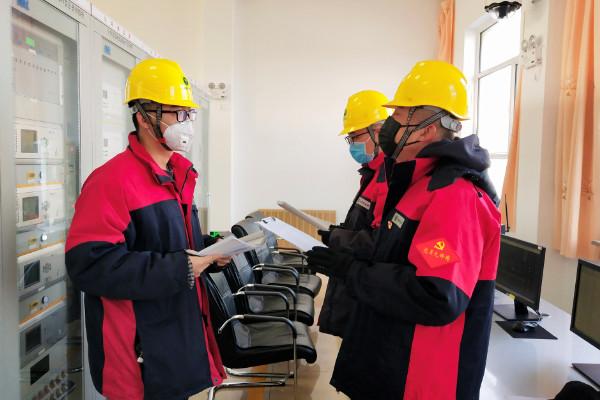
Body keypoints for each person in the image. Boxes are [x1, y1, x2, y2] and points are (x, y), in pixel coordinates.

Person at [307, 60, 501, 399]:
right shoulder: (420, 185)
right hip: (392, 360)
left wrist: (353, 271)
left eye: (398, 115)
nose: (389, 126)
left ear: (426, 129)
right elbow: (397, 256)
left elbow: (437, 294)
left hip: (420, 378)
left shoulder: (453, 196)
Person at [65, 58, 229, 400]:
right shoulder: (111, 181)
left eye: (188, 113)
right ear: (143, 116)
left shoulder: (178, 173)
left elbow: (166, 242)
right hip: (138, 354)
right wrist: (183, 267)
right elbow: (89, 265)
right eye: (176, 113)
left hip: (174, 341)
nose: (185, 123)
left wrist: (210, 251)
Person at [317, 90, 390, 338]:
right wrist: (338, 233)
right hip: (357, 288)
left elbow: (379, 241)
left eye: (355, 136)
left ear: (378, 131)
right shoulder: (372, 173)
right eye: (349, 138)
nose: (352, 145)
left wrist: (338, 238)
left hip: (367, 291)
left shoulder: (388, 176)